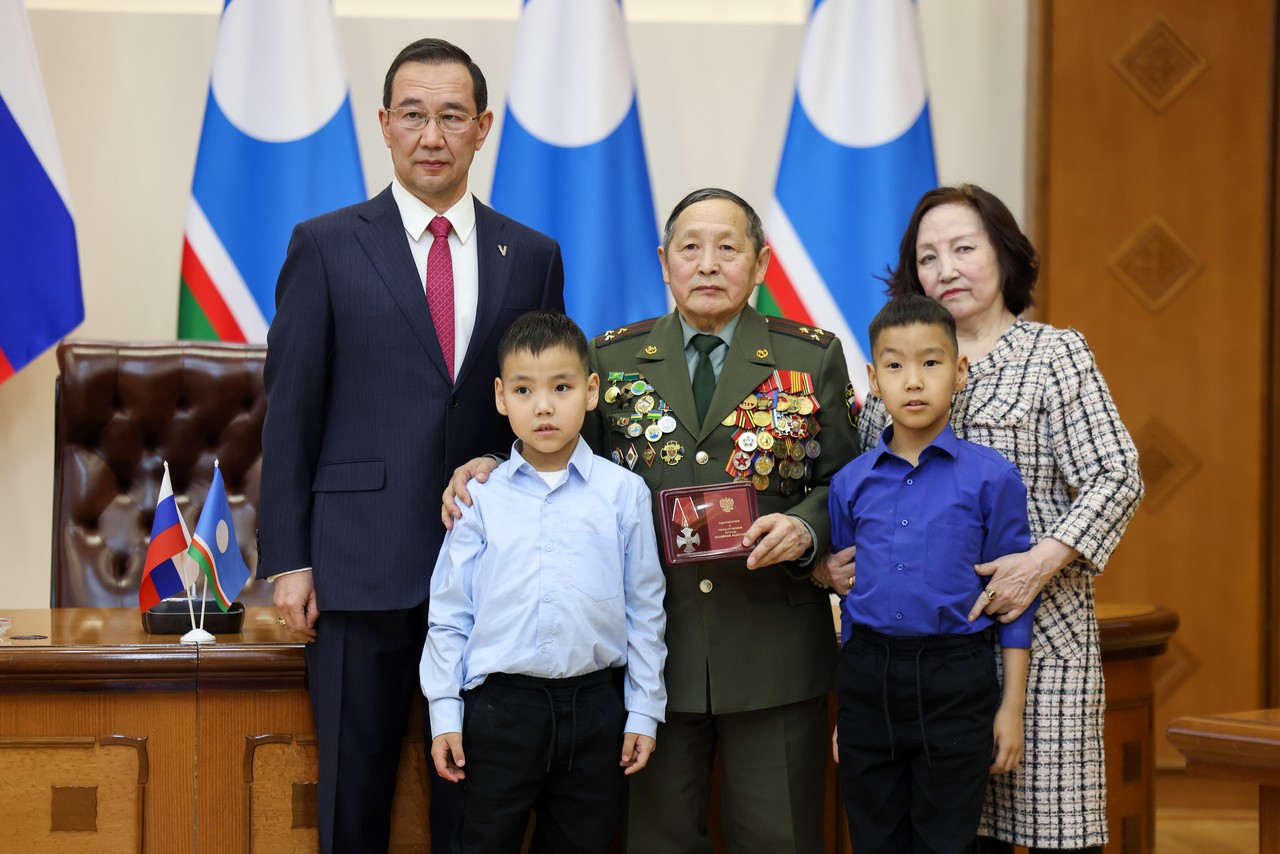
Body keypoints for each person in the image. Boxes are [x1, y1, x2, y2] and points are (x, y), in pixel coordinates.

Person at [446, 188, 861, 852]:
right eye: (690, 248)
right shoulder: (612, 359)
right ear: (664, 263)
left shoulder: (809, 357)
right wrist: (494, 464)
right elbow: (563, 453)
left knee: (778, 840)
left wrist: (807, 530)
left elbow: (847, 479)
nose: (707, 263)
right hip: (651, 659)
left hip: (772, 650)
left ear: (760, 265)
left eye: (728, 247)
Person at [258, 38, 565, 854]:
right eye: (416, 116)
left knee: (475, 812)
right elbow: (290, 411)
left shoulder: (530, 255)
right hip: (357, 569)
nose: (433, 134)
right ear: (386, 125)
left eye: (453, 116)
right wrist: (290, 557)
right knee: (352, 804)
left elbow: (546, 414)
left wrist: (502, 463)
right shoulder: (324, 244)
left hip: (488, 574)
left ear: (483, 127)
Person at [823, 184, 1143, 853]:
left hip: (1041, 644)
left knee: (1051, 832)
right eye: (929, 255)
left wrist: (1039, 563)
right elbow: (863, 506)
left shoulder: (1055, 355)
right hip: (915, 662)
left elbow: (1117, 477)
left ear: (1002, 254)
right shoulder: (894, 378)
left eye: (964, 248)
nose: (947, 268)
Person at [420, 310, 667, 853]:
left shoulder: (624, 493)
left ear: (592, 389)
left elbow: (645, 611)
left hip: (596, 709)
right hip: (498, 711)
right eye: (525, 390)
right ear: (501, 397)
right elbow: (450, 614)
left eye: (562, 386)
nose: (545, 406)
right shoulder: (479, 498)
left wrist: (644, 709)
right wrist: (444, 713)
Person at [829, 294, 1037, 853]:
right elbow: (848, 596)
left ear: (960, 371)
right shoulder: (850, 483)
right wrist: (850, 711)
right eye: (894, 365)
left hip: (956, 679)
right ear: (874, 379)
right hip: (869, 675)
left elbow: (1015, 603)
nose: (913, 381)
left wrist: (1010, 710)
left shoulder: (993, 479)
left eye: (931, 362)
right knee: (874, 838)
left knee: (946, 842)